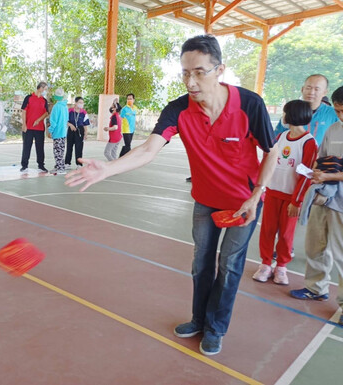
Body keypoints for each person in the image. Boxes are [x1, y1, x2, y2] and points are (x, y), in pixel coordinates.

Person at [65, 35, 278, 355]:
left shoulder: (249, 104)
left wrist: (256, 195)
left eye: (199, 72)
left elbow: (271, 152)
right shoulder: (178, 110)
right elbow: (149, 149)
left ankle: (216, 328)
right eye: (185, 73)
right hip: (205, 200)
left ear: (220, 69)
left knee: (230, 266)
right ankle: (198, 319)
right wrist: (107, 169)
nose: (191, 81)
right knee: (200, 263)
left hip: (242, 202)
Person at [290, 86, 343, 326]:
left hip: (341, 203)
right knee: (315, 245)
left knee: (341, 255)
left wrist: (332, 176)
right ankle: (316, 288)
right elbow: (322, 159)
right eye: (338, 111)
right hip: (324, 196)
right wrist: (319, 173)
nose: (341, 115)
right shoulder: (333, 130)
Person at [253, 100, 317, 285]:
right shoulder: (280, 137)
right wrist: (262, 186)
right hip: (273, 193)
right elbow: (268, 160)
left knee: (286, 234)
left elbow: (307, 175)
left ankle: (281, 266)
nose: (283, 115)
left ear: (291, 115)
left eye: (285, 112)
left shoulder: (309, 142)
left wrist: (297, 201)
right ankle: (265, 264)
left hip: (291, 198)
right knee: (267, 230)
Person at [275, 74, 338, 145]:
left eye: (316, 89)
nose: (311, 92)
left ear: (325, 92)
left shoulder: (334, 113)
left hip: (321, 155)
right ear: (302, 89)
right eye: (308, 88)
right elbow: (275, 139)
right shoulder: (291, 110)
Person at [20, 81, 49, 173]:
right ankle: (24, 165)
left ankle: (41, 165)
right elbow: (24, 111)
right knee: (26, 146)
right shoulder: (28, 98)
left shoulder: (44, 100)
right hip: (28, 128)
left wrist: (38, 120)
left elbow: (46, 113)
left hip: (40, 128)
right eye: (45, 89)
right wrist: (24, 124)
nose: (45, 91)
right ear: (40, 88)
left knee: (40, 147)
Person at [47, 88, 68, 174]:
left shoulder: (56, 107)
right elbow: (67, 119)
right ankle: (59, 166)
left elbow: (54, 121)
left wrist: (50, 130)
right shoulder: (65, 106)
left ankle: (60, 168)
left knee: (57, 151)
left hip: (57, 132)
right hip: (63, 132)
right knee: (61, 150)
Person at [65, 96, 90, 170]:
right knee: (69, 147)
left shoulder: (84, 112)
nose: (81, 104)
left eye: (82, 103)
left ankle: (79, 164)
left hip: (80, 130)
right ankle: (67, 163)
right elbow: (65, 120)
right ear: (75, 103)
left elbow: (85, 124)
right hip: (71, 130)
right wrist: (70, 125)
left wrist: (86, 133)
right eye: (80, 102)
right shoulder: (70, 111)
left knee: (79, 148)